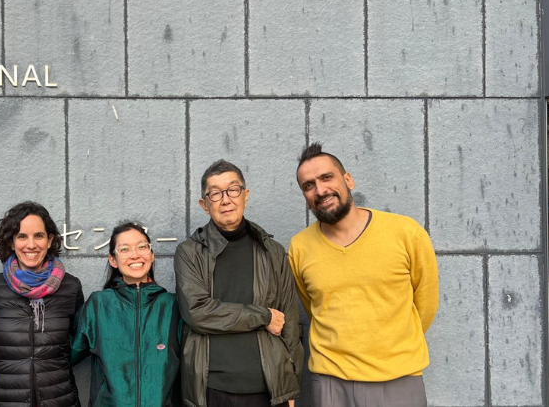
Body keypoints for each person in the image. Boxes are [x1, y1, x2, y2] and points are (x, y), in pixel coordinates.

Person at [289, 143, 439, 407]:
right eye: (308, 185)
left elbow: (425, 305)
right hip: (330, 382)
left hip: (399, 378)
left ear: (348, 179)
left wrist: (390, 344)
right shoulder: (300, 247)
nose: (320, 190)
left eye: (326, 177)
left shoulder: (405, 232)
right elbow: (315, 309)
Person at [175, 159, 303, 407]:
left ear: (245, 195)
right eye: (215, 193)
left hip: (267, 389)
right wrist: (263, 316)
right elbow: (197, 312)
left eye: (233, 190)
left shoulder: (272, 251)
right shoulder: (190, 252)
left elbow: (290, 321)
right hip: (211, 388)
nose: (225, 199)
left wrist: (291, 387)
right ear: (204, 204)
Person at [0, 201, 84, 407]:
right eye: (22, 236)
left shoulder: (70, 287)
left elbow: (78, 341)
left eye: (38, 235)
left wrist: (51, 364)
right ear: (11, 242)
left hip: (60, 398)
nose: (31, 245)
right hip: (6, 401)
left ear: (50, 240)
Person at [71, 222, 182, 407]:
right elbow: (68, 353)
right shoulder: (99, 305)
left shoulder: (172, 305)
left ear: (152, 255)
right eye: (124, 249)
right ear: (113, 260)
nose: (135, 254)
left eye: (142, 247)